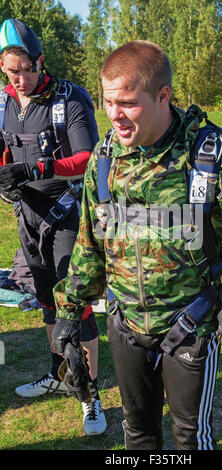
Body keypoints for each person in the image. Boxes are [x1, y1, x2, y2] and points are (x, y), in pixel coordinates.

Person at [51, 40, 222, 450]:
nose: (114, 115)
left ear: (162, 96)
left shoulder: (211, 158)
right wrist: (69, 312)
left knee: (189, 439)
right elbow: (90, 242)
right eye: (108, 102)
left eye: (127, 103)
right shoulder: (105, 159)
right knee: (137, 435)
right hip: (124, 325)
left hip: (190, 330)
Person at [0, 19, 106, 436]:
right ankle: (60, 373)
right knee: (46, 300)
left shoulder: (69, 99)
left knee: (73, 303)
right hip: (28, 216)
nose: (22, 79)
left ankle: (90, 394)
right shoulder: (4, 100)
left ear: (41, 61)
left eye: (27, 69)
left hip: (67, 215)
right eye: (12, 71)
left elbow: (88, 156)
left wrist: (42, 166)